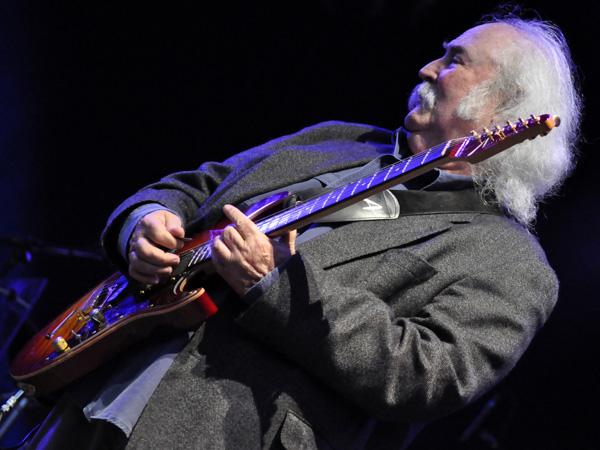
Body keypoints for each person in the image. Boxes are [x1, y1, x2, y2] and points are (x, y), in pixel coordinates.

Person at [24, 9, 582, 450]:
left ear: (505, 105)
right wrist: (144, 223)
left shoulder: (508, 260)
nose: (427, 69)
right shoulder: (337, 139)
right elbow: (195, 186)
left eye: (454, 60)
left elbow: (425, 376)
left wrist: (275, 284)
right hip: (98, 387)